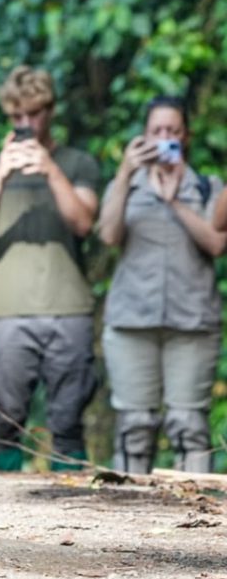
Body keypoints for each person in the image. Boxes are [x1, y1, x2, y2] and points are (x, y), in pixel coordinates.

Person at [0, 66, 101, 472]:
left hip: (67, 307)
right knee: (3, 420)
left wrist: (50, 169)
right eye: (16, 117)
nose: (25, 124)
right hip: (8, 309)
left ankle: (77, 511)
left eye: (34, 114)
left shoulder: (77, 163)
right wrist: (3, 174)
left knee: (69, 421)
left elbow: (83, 222)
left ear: (50, 110)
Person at [97, 96, 225, 474]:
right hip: (131, 322)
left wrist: (175, 203)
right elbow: (108, 235)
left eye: (173, 130)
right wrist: (124, 173)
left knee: (189, 427)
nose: (165, 137)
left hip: (192, 324)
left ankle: (197, 524)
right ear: (144, 136)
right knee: (134, 428)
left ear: (186, 136)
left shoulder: (207, 186)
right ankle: (128, 522)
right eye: (157, 131)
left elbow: (217, 244)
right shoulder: (129, 185)